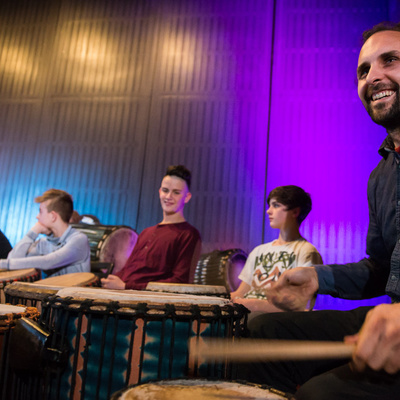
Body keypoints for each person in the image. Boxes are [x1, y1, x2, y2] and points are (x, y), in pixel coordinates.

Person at [241, 22, 400, 400]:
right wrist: (316, 279)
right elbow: (381, 270)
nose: (373, 77)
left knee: (320, 394)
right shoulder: (381, 176)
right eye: (363, 70)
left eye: (390, 60)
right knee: (265, 334)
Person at [101, 165, 201, 290]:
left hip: (148, 304)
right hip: (125, 295)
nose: (169, 196)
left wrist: (126, 286)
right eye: (165, 190)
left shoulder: (189, 234)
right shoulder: (146, 232)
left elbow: (180, 282)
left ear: (187, 197)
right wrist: (107, 280)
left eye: (176, 192)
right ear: (159, 192)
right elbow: (129, 270)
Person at [230, 185, 322, 314]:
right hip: (246, 316)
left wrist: (254, 305)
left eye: (276, 205)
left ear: (295, 212)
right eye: (270, 205)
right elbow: (240, 293)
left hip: (275, 324)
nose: (269, 211)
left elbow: (300, 305)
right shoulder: (258, 251)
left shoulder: (306, 251)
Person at [0, 189, 90, 278]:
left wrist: (2, 264)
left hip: (71, 292)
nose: (37, 216)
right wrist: (31, 234)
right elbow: (13, 260)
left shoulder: (79, 239)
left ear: (53, 216)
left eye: (41, 211)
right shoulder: (44, 242)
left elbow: (48, 262)